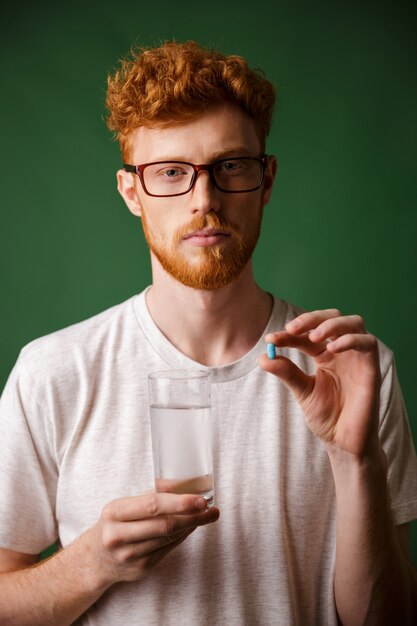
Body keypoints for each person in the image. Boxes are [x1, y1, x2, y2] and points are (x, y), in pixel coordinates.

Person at [0, 40, 416, 626]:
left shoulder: (351, 373)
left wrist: (356, 460)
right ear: (131, 193)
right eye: (170, 172)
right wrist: (91, 562)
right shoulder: (53, 373)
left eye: (230, 167)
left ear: (266, 179)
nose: (205, 199)